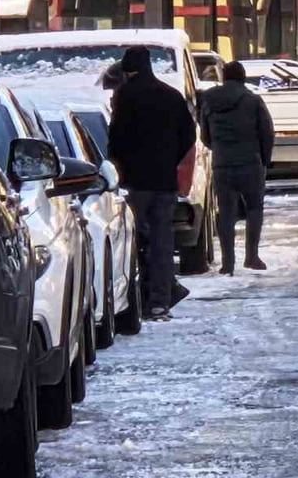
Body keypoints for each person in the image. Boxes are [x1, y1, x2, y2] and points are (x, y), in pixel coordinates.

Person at [107, 45, 196, 322]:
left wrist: (121, 163)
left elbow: (117, 137)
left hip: (135, 182)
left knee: (134, 240)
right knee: (162, 241)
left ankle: (140, 296)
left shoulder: (126, 96)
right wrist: (169, 158)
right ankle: (160, 300)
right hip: (164, 181)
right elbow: (188, 134)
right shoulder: (171, 95)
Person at [199, 61, 275, 275]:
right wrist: (264, 158)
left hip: (222, 164)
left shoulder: (209, 101)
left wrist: (219, 148)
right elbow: (267, 131)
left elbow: (204, 135)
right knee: (254, 209)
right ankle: (251, 256)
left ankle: (227, 263)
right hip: (251, 163)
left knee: (226, 213)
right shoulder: (253, 100)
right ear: (243, 78)